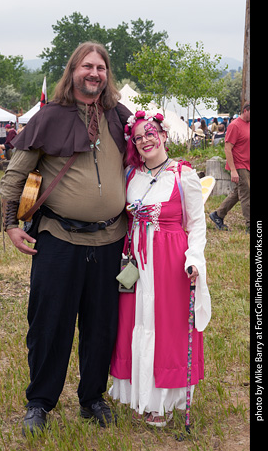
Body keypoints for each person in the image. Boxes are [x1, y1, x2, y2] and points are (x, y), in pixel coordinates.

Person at [0, 41, 132, 435]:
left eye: (101, 67)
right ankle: (39, 402)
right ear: (73, 70)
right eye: (87, 66)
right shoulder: (48, 118)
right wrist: (11, 225)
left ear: (107, 74)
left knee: (102, 325)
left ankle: (92, 398)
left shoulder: (120, 116)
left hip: (111, 242)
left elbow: (150, 156)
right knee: (49, 325)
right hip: (58, 240)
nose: (94, 73)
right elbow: (13, 179)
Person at [109, 110, 211, 427]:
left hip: (169, 264)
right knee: (134, 321)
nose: (145, 141)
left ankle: (161, 402)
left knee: (165, 326)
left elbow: (196, 226)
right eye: (138, 137)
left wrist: (194, 258)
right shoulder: (130, 176)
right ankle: (136, 393)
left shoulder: (183, 176)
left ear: (164, 135)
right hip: (135, 264)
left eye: (150, 133)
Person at [209, 102, 250, 232]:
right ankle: (250, 225)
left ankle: (218, 215)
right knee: (246, 193)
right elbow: (228, 148)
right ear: (245, 111)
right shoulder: (234, 126)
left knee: (239, 193)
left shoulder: (248, 124)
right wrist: (233, 170)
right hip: (239, 164)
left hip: (247, 163)